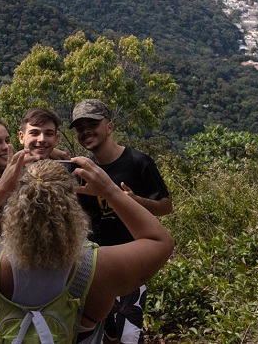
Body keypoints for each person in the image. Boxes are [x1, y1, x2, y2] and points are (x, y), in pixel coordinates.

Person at [0, 151, 173, 344]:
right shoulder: (98, 269)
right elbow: (160, 242)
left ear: (14, 206)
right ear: (72, 208)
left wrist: (2, 187)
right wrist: (110, 191)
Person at [70, 99, 172, 344]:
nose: (86, 131)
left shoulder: (138, 162)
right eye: (80, 127)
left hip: (130, 261)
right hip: (94, 266)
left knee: (128, 334)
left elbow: (166, 207)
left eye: (92, 124)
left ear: (110, 126)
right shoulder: (83, 169)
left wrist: (134, 200)